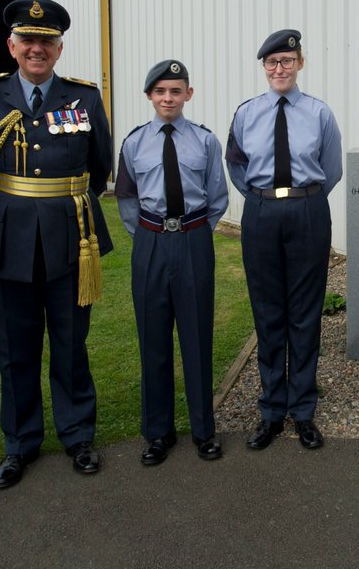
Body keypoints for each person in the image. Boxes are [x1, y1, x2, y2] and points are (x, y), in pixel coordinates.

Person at [0, 0, 113, 486]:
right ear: (11, 45)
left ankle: (77, 435)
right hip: (7, 237)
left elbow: (99, 167)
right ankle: (20, 443)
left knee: (70, 344)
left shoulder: (83, 97)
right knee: (15, 349)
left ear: (59, 48)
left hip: (70, 237)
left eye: (46, 41)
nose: (36, 49)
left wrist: (57, 204)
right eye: (27, 40)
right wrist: (16, 203)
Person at [225, 29, 343, 450]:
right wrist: (262, 201)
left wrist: (301, 200)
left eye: (287, 61)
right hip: (261, 213)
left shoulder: (319, 113)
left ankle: (304, 410)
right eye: (272, 62)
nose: (280, 69)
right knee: (268, 311)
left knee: (305, 313)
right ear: (264, 67)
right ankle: (272, 410)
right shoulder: (246, 114)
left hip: (308, 209)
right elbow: (236, 165)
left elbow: (331, 169)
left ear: (300, 64)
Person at [116, 60, 229, 465]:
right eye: (161, 91)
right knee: (153, 338)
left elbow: (217, 196)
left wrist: (191, 231)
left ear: (188, 94)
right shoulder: (133, 143)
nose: (168, 98)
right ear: (149, 95)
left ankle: (203, 430)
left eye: (176, 91)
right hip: (150, 242)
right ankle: (157, 433)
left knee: (196, 336)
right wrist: (150, 235)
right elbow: (127, 199)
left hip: (194, 239)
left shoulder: (205, 141)